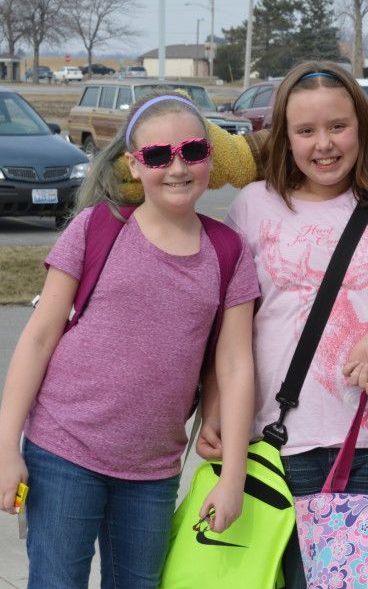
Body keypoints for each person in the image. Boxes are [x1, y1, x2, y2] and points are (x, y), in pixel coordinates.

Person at [0, 92, 258, 588]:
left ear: (210, 155)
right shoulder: (98, 227)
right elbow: (38, 338)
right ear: (134, 166)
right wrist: (7, 445)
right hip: (62, 452)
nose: (178, 167)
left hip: (152, 471)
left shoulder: (228, 252)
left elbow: (235, 367)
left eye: (193, 151)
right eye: (159, 156)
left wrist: (233, 478)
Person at [208, 61, 368, 589]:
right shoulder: (251, 207)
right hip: (275, 441)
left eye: (337, 126)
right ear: (284, 140)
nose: (323, 144)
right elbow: (231, 329)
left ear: (362, 125)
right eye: (305, 131)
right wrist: (216, 402)